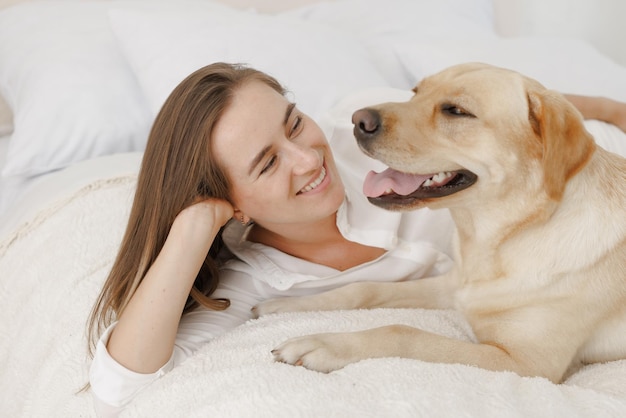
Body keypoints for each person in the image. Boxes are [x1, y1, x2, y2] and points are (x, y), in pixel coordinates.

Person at [86, 62, 626, 416]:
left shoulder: (371, 130)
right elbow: (117, 384)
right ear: (234, 203)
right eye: (268, 163)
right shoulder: (255, 278)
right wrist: (193, 224)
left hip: (583, 162)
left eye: (294, 123)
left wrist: (606, 110)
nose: (309, 159)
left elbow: (506, 97)